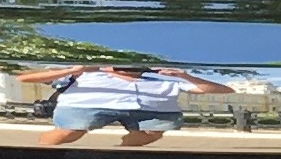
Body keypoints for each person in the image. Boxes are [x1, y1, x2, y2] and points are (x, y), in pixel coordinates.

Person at [18, 58, 230, 145]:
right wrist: (72, 70)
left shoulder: (164, 78)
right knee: (69, 131)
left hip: (148, 111)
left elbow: (224, 90)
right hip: (86, 106)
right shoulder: (89, 72)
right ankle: (42, 148)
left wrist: (185, 76)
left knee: (151, 133)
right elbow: (24, 78)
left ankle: (120, 151)